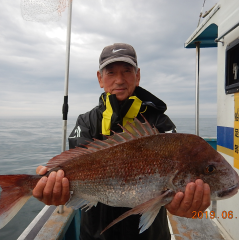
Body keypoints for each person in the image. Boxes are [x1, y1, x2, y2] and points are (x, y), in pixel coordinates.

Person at [33, 43, 211, 240]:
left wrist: (183, 205)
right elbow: (75, 167)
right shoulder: (86, 122)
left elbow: (174, 189)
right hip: (95, 235)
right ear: (100, 78)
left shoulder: (160, 122)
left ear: (138, 75)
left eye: (127, 71)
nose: (119, 80)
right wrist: (56, 189)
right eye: (110, 73)